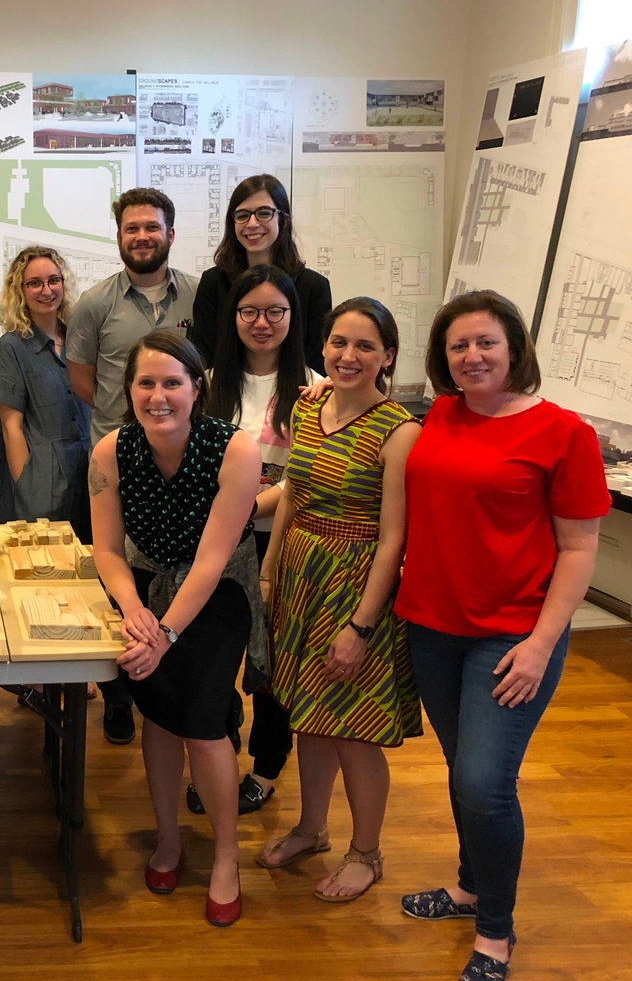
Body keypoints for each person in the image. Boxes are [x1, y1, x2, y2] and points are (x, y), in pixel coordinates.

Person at [394, 291, 610, 981]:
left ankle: (495, 929)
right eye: (458, 347)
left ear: (514, 346)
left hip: (511, 636)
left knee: (486, 785)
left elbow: (579, 548)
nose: (472, 357)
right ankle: (467, 885)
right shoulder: (439, 416)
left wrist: (542, 643)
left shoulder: (562, 433)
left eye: (485, 343)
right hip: (431, 626)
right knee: (463, 771)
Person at [87, 330, 264, 927]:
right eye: (145, 383)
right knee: (158, 715)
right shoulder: (110, 452)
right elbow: (107, 550)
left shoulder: (236, 450)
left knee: (204, 720)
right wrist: (136, 613)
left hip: (218, 595)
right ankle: (168, 839)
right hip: (146, 588)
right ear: (128, 389)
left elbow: (213, 561)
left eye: (171, 383)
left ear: (196, 388)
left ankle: (226, 856)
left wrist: (163, 634)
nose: (158, 396)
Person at [256, 297, 422, 903]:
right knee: (309, 715)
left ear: (388, 356)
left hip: (355, 583)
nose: (349, 356)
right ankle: (311, 827)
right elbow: (293, 492)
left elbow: (394, 539)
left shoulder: (400, 432)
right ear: (322, 349)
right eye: (339, 344)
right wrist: (271, 577)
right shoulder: (311, 407)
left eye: (365, 346)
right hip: (301, 572)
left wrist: (361, 626)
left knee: (353, 729)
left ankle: (367, 852)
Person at [183, 263, 322, 817]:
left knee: (271, 666)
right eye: (248, 311)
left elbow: (302, 475)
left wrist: (243, 506)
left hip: (281, 543)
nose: (261, 323)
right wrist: (231, 514)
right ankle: (215, 758)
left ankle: (264, 770)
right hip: (219, 543)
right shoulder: (209, 383)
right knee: (214, 658)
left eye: (275, 312)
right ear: (232, 316)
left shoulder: (315, 388)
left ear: (293, 317)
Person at [66, 187, 198, 744]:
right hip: (116, 465)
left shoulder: (200, 295)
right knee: (118, 579)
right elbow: (81, 376)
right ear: (118, 236)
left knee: (189, 581)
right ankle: (120, 698)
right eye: (131, 228)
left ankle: (202, 698)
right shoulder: (95, 304)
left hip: (190, 467)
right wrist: (138, 425)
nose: (141, 236)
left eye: (152, 227)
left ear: (170, 233)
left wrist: (168, 421)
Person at [0, 245, 90, 536]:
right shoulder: (12, 347)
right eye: (35, 283)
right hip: (40, 482)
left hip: (87, 475)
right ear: (20, 290)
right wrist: (27, 490)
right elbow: (10, 429)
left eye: (53, 280)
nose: (46, 290)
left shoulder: (81, 341)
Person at [187, 174, 331, 376]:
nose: (252, 224)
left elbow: (317, 361)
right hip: (224, 396)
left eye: (264, 213)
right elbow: (203, 357)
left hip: (297, 397)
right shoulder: (214, 283)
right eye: (242, 215)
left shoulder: (313, 287)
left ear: (285, 220)